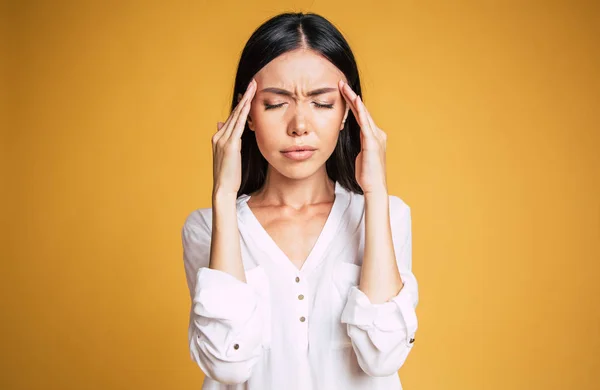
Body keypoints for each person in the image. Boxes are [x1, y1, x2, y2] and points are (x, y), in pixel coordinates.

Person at [181, 12, 419, 390]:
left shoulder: (388, 215)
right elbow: (227, 364)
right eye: (275, 104)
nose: (299, 125)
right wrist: (224, 195)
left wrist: (375, 193)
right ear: (248, 115)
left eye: (322, 104)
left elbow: (383, 355)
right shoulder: (208, 227)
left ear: (346, 115)